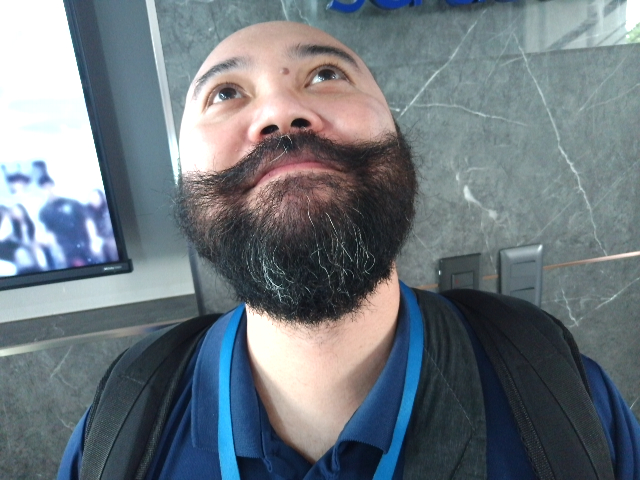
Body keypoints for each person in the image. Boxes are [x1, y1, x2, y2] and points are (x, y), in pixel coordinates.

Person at [58, 21, 640, 479]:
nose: (280, 112)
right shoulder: (119, 428)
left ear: (397, 138)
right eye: (225, 93)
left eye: (324, 75)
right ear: (184, 179)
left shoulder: (566, 398)